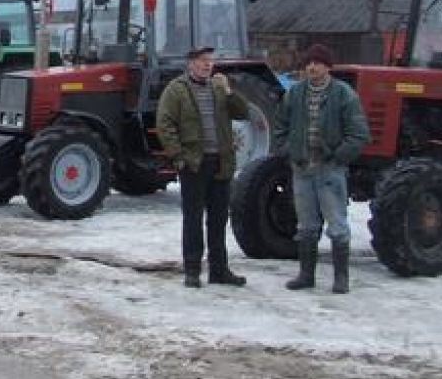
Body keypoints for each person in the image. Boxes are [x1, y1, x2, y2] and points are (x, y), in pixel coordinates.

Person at [273, 43, 370, 294]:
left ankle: (341, 278)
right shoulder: (294, 94)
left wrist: (338, 157)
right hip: (302, 168)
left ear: (328, 67)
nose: (312, 67)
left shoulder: (344, 94)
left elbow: (359, 134)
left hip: (330, 170)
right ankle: (306, 275)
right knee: (305, 226)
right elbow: (279, 126)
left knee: (337, 225)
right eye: (308, 63)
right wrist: (287, 152)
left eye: (317, 63)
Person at [157, 45, 251, 288]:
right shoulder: (177, 90)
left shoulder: (219, 89)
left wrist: (229, 91)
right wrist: (178, 158)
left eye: (210, 61)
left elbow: (243, 113)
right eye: (202, 61)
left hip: (220, 163)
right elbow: (165, 124)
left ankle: (219, 270)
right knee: (193, 218)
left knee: (218, 219)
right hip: (194, 164)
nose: (207, 65)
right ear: (190, 64)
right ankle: (192, 270)